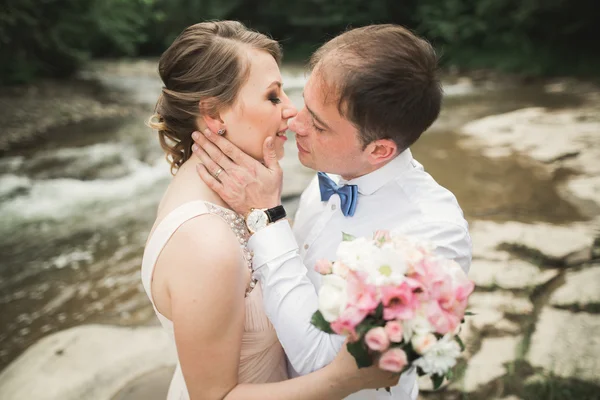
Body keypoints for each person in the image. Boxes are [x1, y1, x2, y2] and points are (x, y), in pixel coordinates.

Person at [192, 24, 472, 399]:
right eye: (305, 102)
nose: (294, 123)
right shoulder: (335, 167)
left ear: (379, 151)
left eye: (318, 125)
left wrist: (267, 216)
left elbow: (325, 367)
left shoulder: (431, 234)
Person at [142, 21, 399, 400]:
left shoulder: (229, 187)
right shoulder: (204, 243)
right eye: (273, 97)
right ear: (213, 115)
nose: (292, 112)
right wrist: (343, 379)